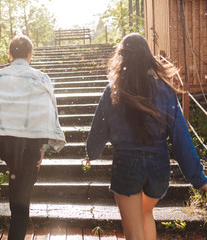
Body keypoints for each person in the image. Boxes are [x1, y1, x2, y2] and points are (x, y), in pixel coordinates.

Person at [85, 33, 207, 240]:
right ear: (147, 55)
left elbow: (98, 131)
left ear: (121, 57)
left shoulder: (112, 90)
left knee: (133, 234)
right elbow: (181, 137)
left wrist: (92, 153)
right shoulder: (165, 91)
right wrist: (198, 177)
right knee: (145, 212)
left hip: (127, 167)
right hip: (158, 168)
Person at [0, 35, 65, 240]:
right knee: (21, 197)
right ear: (30, 55)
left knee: (18, 183)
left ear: (9, 54)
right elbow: (47, 112)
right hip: (29, 145)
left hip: (5, 144)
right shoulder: (41, 78)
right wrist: (42, 148)